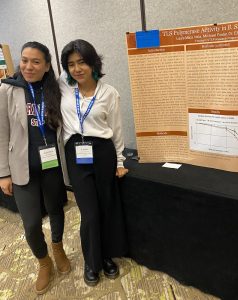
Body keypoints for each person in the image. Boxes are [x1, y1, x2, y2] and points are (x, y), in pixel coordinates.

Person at [0, 42, 71, 295]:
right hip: (21, 169)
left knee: (56, 211)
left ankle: (58, 247)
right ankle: (43, 262)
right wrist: (3, 173)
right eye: (24, 60)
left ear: (47, 66)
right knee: (30, 224)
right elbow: (1, 133)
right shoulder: (8, 89)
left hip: (51, 166)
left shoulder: (56, 89)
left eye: (36, 62)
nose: (29, 66)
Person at [59, 39, 128, 286]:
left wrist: (120, 160)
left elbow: (117, 129)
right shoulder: (64, 87)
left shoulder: (108, 92)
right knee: (89, 211)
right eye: (71, 64)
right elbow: (37, 75)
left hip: (102, 152)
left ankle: (106, 257)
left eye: (82, 62)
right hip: (75, 152)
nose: (77, 69)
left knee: (105, 206)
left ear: (93, 63)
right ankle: (92, 261)